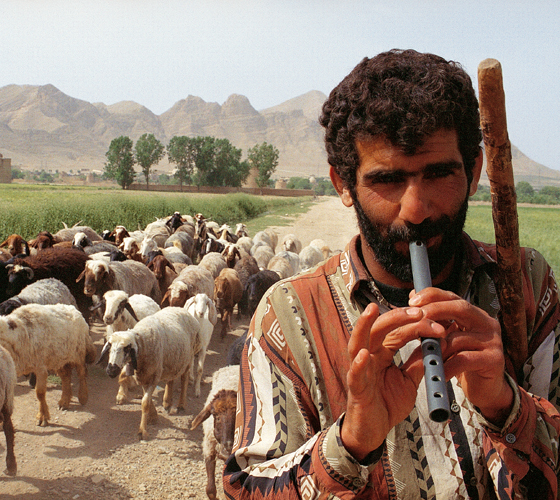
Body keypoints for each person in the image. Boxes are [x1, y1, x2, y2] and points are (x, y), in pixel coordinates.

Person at [223, 49, 560, 499]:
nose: (416, 210)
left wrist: (506, 407)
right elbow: (245, 489)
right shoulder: (288, 316)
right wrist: (351, 443)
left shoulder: (524, 280)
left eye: (440, 173)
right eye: (387, 180)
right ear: (343, 183)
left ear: (475, 169)